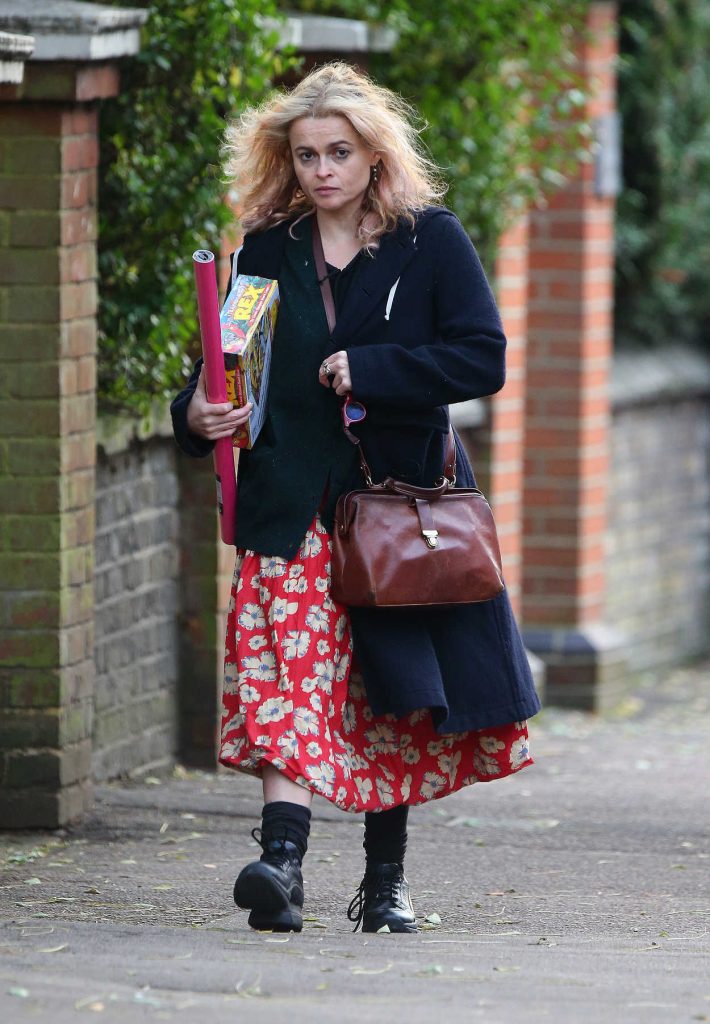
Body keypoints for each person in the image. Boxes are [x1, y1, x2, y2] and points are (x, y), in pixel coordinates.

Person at [171, 62, 541, 935]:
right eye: (305, 155)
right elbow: (224, 369)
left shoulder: (430, 242)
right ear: (287, 161)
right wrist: (197, 409)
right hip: (288, 503)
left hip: (392, 510)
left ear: (375, 157)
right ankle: (282, 864)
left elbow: (482, 358)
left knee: (390, 690)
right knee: (284, 680)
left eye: (339, 152)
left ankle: (384, 885)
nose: (322, 170)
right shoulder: (264, 253)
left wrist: (374, 369)